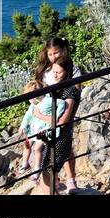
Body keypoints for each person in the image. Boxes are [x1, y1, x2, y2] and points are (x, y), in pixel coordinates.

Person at [35, 37, 83, 194]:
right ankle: (54, 182)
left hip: (64, 109)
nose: (53, 57)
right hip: (49, 110)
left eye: (56, 53)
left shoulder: (72, 69)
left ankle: (70, 180)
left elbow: (75, 92)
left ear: (63, 50)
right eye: (50, 54)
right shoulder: (47, 70)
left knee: (64, 143)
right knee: (49, 147)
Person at [17, 62, 70, 185]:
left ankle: (37, 170)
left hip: (43, 130)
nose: (29, 100)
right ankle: (25, 163)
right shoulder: (34, 104)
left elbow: (61, 103)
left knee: (38, 148)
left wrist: (56, 116)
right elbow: (28, 115)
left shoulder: (47, 100)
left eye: (30, 97)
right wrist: (22, 126)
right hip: (35, 129)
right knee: (27, 144)